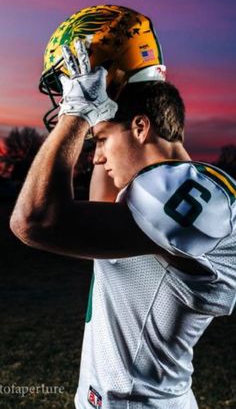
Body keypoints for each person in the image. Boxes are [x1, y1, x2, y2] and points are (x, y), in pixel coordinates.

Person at [10, 40, 236, 409]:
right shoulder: (152, 194)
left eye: (100, 141)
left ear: (141, 128)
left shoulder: (189, 190)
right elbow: (97, 209)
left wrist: (78, 110)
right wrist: (112, 95)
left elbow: (34, 222)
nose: (96, 156)